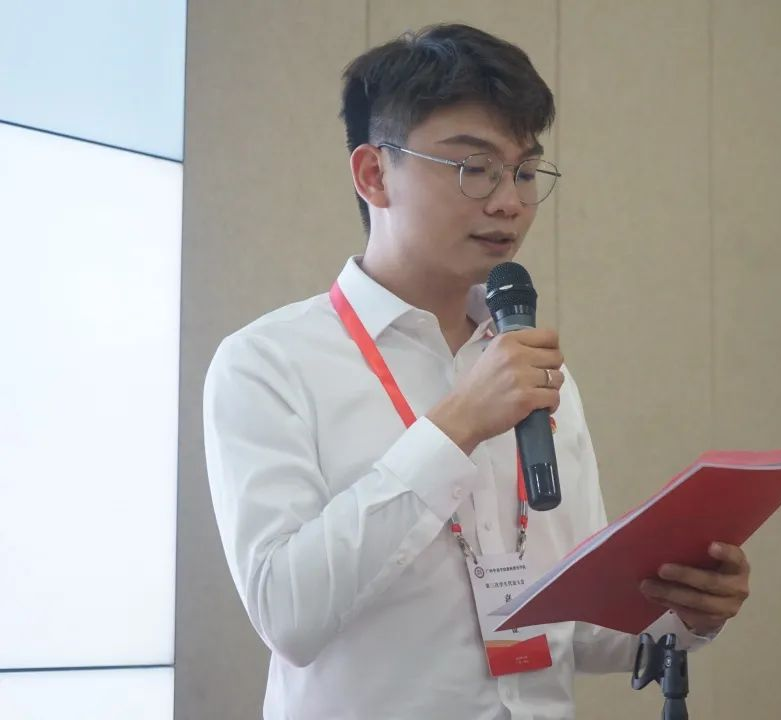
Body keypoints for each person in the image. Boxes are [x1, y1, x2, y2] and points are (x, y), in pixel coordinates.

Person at [203, 23, 750, 720]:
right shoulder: (268, 362)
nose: (509, 202)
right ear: (374, 174)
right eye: (474, 167)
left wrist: (686, 611)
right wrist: (457, 424)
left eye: (524, 171)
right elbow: (287, 614)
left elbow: (574, 630)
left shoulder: (528, 364)